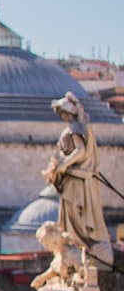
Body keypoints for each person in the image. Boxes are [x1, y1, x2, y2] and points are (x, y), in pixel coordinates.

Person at [43, 92, 113, 267]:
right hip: (75, 179)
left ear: (68, 113)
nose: (61, 116)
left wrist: (64, 165)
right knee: (73, 211)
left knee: (75, 211)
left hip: (76, 180)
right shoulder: (79, 127)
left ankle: (84, 244)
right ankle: (79, 243)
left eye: (61, 112)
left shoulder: (75, 129)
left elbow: (80, 151)